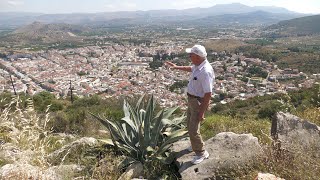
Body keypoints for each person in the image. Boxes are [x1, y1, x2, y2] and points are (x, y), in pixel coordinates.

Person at [165, 44, 215, 164]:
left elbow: (208, 94)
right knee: (189, 123)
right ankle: (194, 145)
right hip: (192, 100)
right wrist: (176, 67)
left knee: (193, 129)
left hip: (198, 102)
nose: (189, 56)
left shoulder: (206, 71)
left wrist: (202, 112)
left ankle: (201, 152)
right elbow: (190, 68)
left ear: (197, 57)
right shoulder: (198, 66)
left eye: (191, 55)